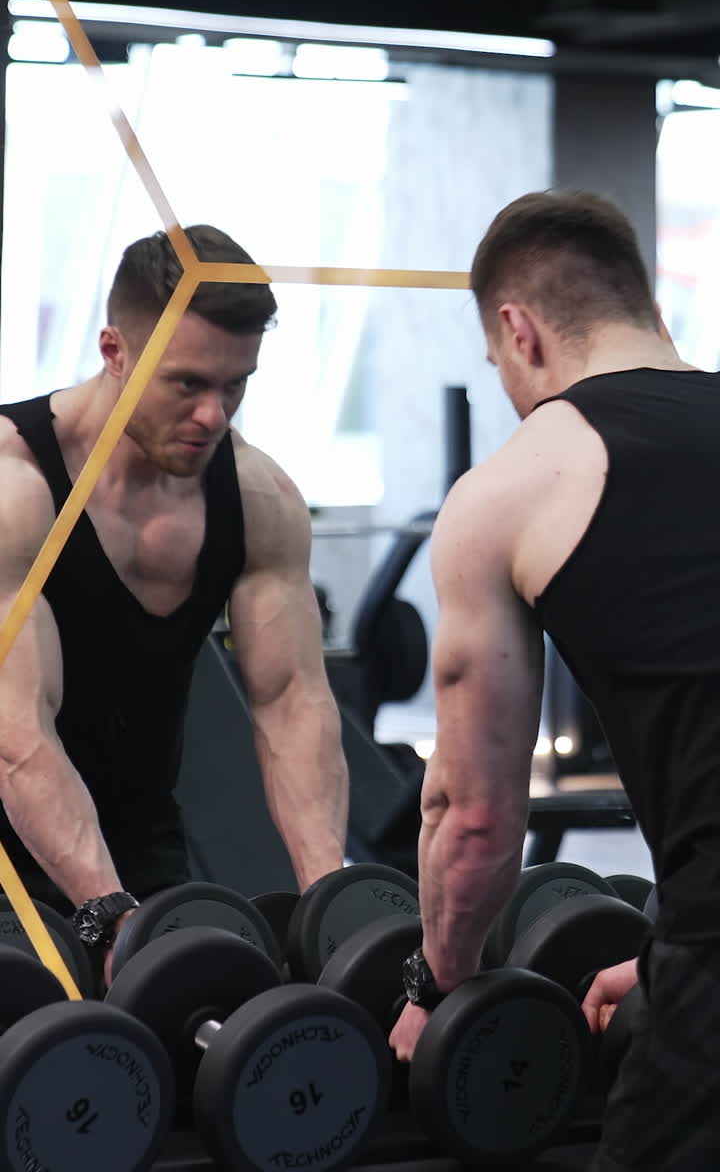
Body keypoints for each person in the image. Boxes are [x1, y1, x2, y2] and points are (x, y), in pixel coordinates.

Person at [390, 189, 720, 1170]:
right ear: (647, 307)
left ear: (519, 332)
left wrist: (438, 984)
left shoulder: (510, 489)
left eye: (498, 365)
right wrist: (662, 953)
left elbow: (475, 819)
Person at [0, 224, 347, 980]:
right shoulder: (14, 488)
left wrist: (334, 905)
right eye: (188, 384)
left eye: (235, 385)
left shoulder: (258, 499)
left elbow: (292, 702)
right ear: (114, 352)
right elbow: (16, 736)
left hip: (146, 852)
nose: (215, 416)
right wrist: (106, 912)